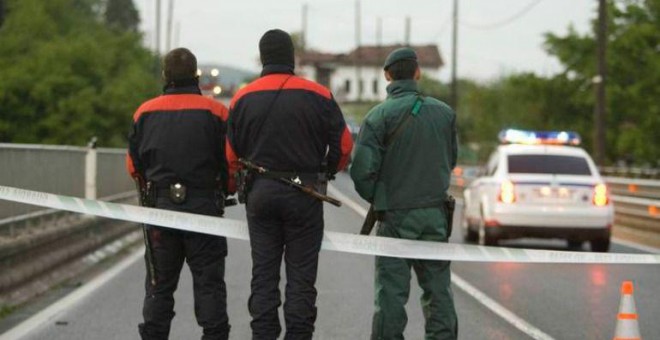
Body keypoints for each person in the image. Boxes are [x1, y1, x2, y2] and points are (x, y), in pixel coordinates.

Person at [226, 29, 353, 340]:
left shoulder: (242, 97)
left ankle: (263, 334)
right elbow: (345, 146)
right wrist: (327, 170)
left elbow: (230, 154)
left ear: (262, 57)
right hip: (305, 194)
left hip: (260, 194)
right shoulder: (320, 95)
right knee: (301, 276)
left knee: (264, 273)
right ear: (292, 57)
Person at [350, 47, 459, 340]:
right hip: (436, 215)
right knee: (438, 290)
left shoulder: (377, 117)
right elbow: (452, 160)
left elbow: (360, 172)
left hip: (395, 217)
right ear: (417, 72)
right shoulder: (445, 113)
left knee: (391, 294)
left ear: (387, 75)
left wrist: (382, 196)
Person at [127, 48, 231, 340]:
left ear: (165, 76)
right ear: (196, 76)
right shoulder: (217, 112)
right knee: (209, 285)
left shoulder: (144, 112)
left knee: (159, 286)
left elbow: (133, 166)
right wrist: (227, 189)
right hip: (204, 211)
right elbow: (230, 163)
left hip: (160, 212)